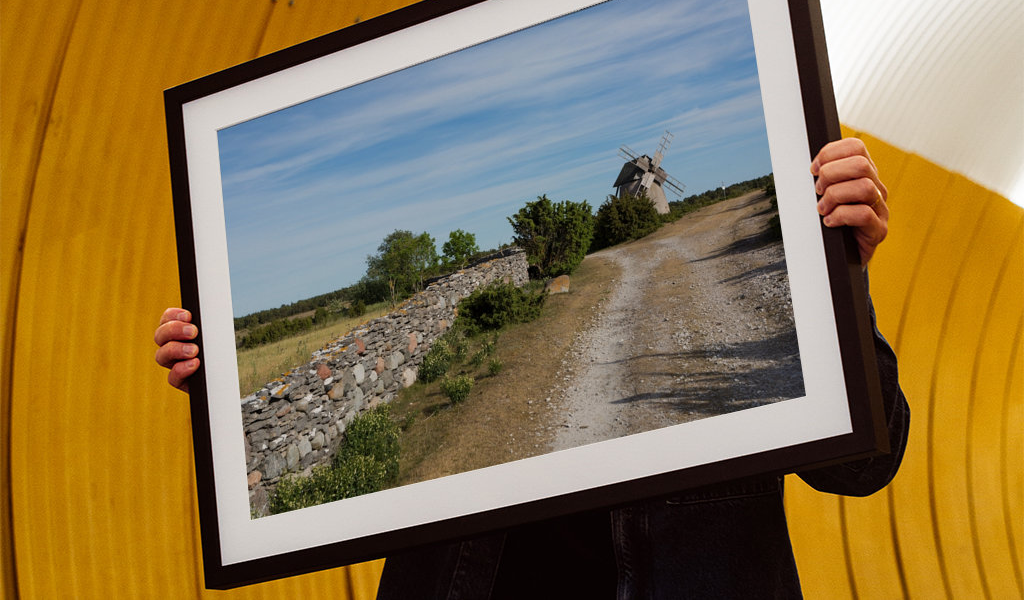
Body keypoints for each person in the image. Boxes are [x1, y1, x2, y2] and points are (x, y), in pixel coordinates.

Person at [155, 138, 908, 599]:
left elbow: (865, 465)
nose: (646, 180)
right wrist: (224, 393)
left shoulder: (799, 269)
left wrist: (838, 275)